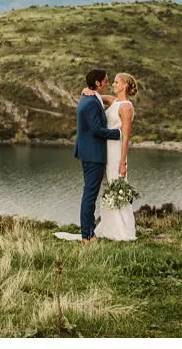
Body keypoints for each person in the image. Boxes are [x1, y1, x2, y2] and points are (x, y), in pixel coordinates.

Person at [64, 69, 120, 243]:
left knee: (90, 194)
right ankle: (85, 236)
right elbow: (96, 130)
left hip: (90, 152)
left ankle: (90, 232)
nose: (108, 83)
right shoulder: (90, 103)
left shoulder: (90, 98)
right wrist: (118, 133)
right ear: (97, 83)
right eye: (105, 81)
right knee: (89, 195)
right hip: (93, 154)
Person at [95, 72, 138, 241]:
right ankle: (109, 227)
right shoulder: (114, 101)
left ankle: (122, 230)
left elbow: (126, 137)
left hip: (117, 153)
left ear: (125, 85)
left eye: (116, 82)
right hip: (106, 150)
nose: (113, 84)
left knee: (117, 188)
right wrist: (88, 90)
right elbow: (98, 96)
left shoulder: (126, 107)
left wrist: (123, 163)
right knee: (109, 188)